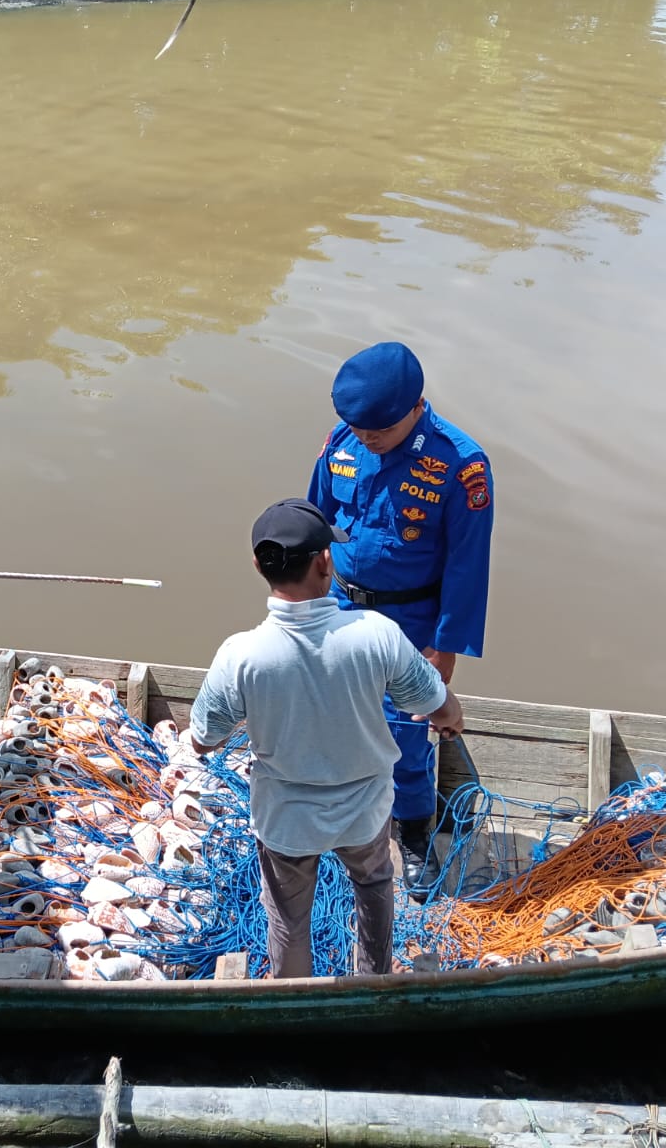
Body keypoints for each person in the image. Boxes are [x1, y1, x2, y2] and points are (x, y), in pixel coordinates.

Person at [188, 499, 465, 979]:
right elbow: (436, 703)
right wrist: (450, 716)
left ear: (259, 566)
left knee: (289, 921)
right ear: (325, 561)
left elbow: (203, 739)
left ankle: (296, 1001)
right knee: (374, 887)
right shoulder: (376, 634)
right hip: (365, 813)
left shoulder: (241, 655)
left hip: (286, 822)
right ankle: (371, 983)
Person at [306, 341, 493, 889]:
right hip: (336, 605)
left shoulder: (461, 466)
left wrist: (445, 648)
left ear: (416, 406)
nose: (367, 439)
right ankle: (340, 820)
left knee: (407, 735)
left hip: (410, 624)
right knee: (330, 714)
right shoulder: (343, 440)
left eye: (379, 431)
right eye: (359, 429)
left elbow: (467, 566)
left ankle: (412, 834)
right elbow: (315, 520)